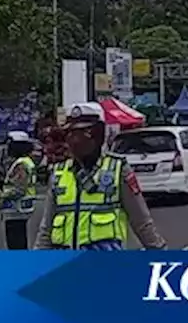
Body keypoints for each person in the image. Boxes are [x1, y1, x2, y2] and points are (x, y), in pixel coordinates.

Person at [33, 103, 166, 250]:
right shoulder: (59, 173)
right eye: (71, 133)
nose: (75, 140)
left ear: (99, 135)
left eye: (84, 133)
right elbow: (46, 230)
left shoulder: (117, 169)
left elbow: (142, 223)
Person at [0, 130, 38, 250]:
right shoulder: (25, 162)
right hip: (20, 210)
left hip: (16, 210)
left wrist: (3, 194)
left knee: (16, 244)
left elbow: (19, 189)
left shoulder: (21, 164)